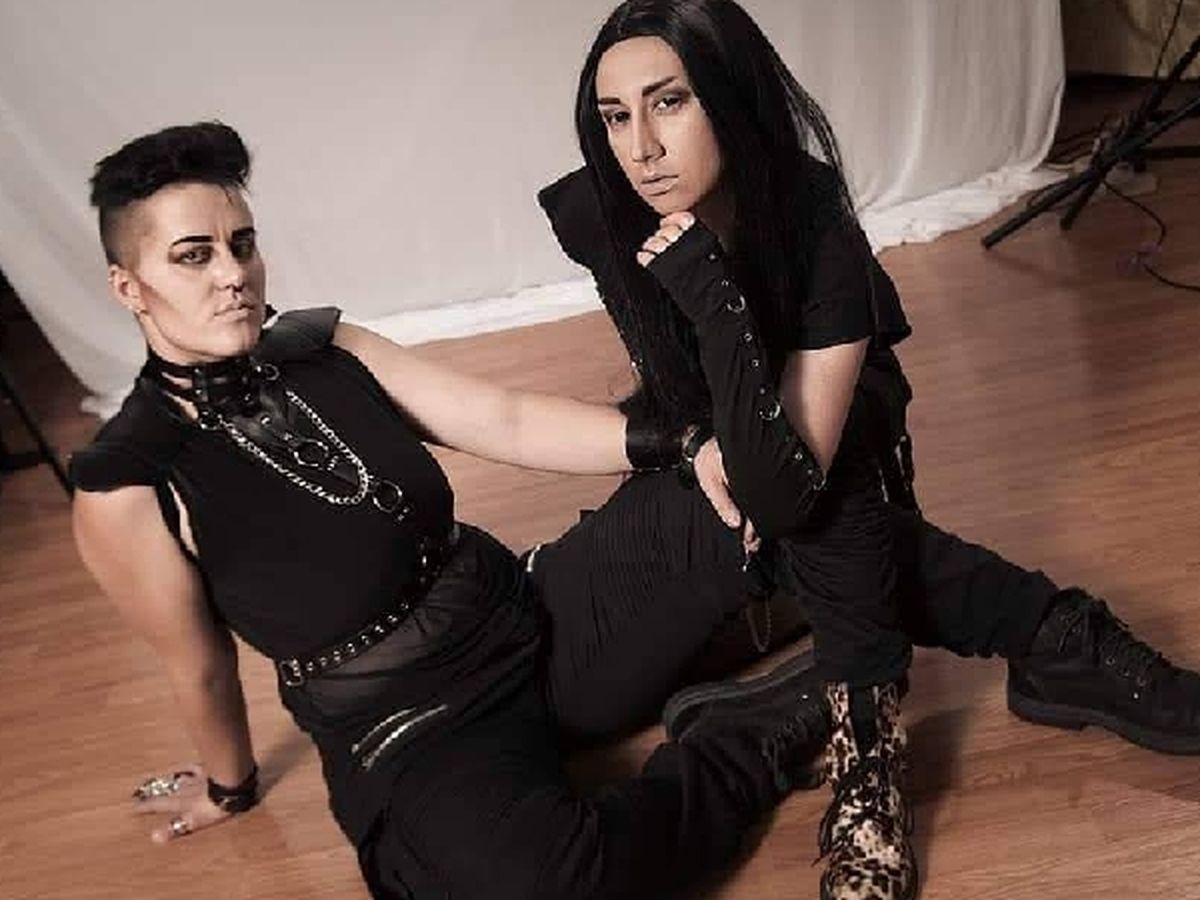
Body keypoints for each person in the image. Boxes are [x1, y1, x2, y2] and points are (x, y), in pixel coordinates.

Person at [533, 1, 1200, 897]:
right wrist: (699, 414)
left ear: (730, 96)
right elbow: (683, 392)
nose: (641, 148)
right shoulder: (601, 211)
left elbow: (784, 481)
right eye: (615, 117)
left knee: (819, 484)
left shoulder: (809, 215)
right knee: (798, 494)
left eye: (669, 103)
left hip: (810, 453)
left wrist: (716, 300)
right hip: (688, 497)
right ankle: (1051, 634)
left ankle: (871, 767)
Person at [70, 121, 835, 900]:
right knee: (556, 889)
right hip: (416, 732)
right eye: (193, 255)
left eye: (242, 244)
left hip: (528, 620)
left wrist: (685, 443)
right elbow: (199, 665)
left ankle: (786, 628)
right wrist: (230, 788)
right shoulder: (128, 482)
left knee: (753, 483)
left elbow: (506, 420)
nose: (233, 274)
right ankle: (742, 738)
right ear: (127, 286)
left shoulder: (325, 347)